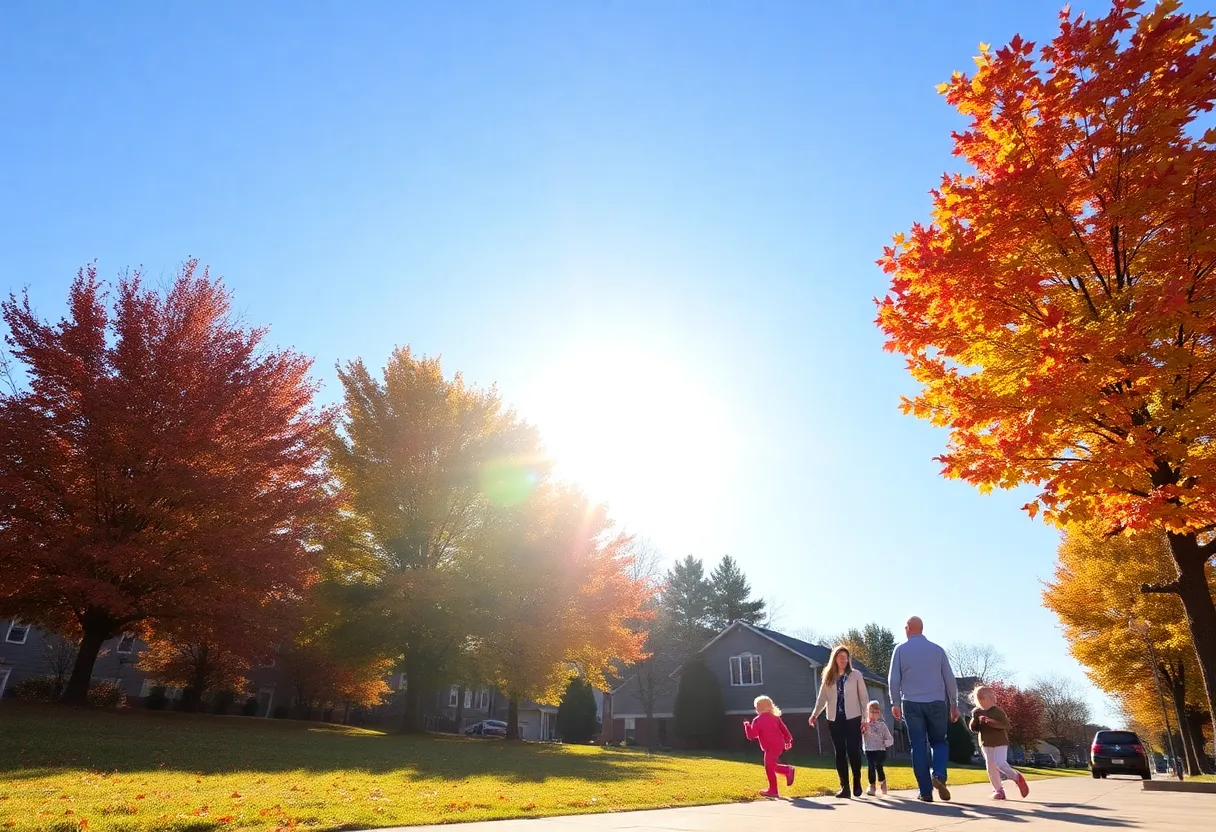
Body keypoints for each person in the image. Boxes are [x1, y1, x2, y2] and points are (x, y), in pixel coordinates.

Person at [888, 616, 960, 803]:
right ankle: (939, 775)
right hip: (937, 702)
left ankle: (925, 792)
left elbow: (894, 678)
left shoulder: (901, 650)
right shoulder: (937, 650)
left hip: (911, 703)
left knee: (918, 745)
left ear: (909, 628)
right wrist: (954, 703)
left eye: (905, 626)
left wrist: (895, 702)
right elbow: (950, 679)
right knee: (939, 742)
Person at [809, 645, 869, 798]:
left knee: (853, 751)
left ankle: (857, 781)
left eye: (845, 657)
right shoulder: (828, 676)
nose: (843, 659)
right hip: (834, 719)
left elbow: (864, 698)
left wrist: (865, 718)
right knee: (840, 752)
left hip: (853, 718)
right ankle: (845, 787)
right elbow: (822, 698)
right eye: (840, 657)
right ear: (834, 659)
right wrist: (815, 714)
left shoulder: (856, 675)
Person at [969, 685, 1030, 800]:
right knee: (991, 767)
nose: (982, 702)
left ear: (991, 698)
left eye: (984, 698)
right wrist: (976, 720)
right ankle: (998, 790)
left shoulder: (997, 711)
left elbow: (1006, 725)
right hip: (985, 743)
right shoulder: (976, 712)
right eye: (979, 699)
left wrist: (992, 722)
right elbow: (973, 728)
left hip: (999, 741)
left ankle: (1017, 777)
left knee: (1000, 763)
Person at [744, 695, 795, 797]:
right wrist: (788, 740)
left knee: (768, 767)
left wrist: (747, 726)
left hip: (770, 746)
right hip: (778, 744)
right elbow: (784, 729)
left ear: (758, 708)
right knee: (771, 766)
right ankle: (787, 771)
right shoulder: (775, 718)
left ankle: (774, 790)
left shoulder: (757, 720)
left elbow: (752, 736)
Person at [861, 699, 895, 795]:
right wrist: (865, 728)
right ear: (867, 712)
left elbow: (890, 739)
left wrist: (885, 743)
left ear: (879, 713)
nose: (873, 714)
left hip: (880, 750)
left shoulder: (882, 725)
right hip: (869, 749)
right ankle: (872, 785)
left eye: (876, 712)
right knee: (871, 766)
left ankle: (882, 781)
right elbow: (862, 734)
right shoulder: (865, 724)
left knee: (878, 766)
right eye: (871, 712)